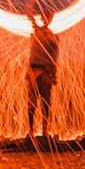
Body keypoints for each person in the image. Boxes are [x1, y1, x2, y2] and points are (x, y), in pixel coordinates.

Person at [26, 7, 59, 141]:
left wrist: (54, 74)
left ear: (50, 20)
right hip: (33, 71)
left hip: (46, 72)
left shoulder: (54, 36)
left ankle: (45, 131)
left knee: (46, 103)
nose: (46, 19)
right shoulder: (35, 31)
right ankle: (30, 131)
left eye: (48, 17)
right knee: (31, 103)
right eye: (44, 16)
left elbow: (54, 56)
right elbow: (29, 14)